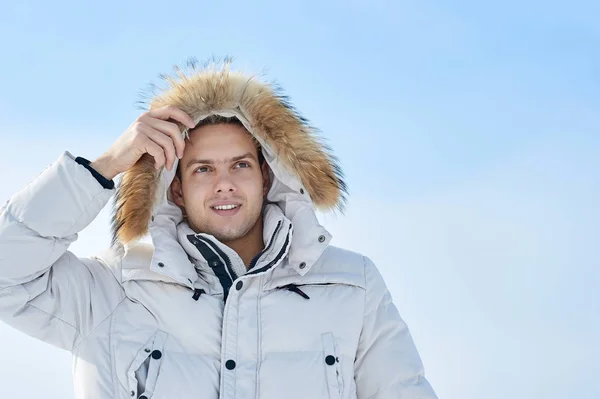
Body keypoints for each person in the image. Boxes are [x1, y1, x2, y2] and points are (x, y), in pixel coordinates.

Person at [0, 59, 437, 399]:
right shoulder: (114, 288)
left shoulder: (352, 286)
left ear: (267, 177)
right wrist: (107, 165)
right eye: (202, 169)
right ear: (174, 189)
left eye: (240, 165)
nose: (223, 182)